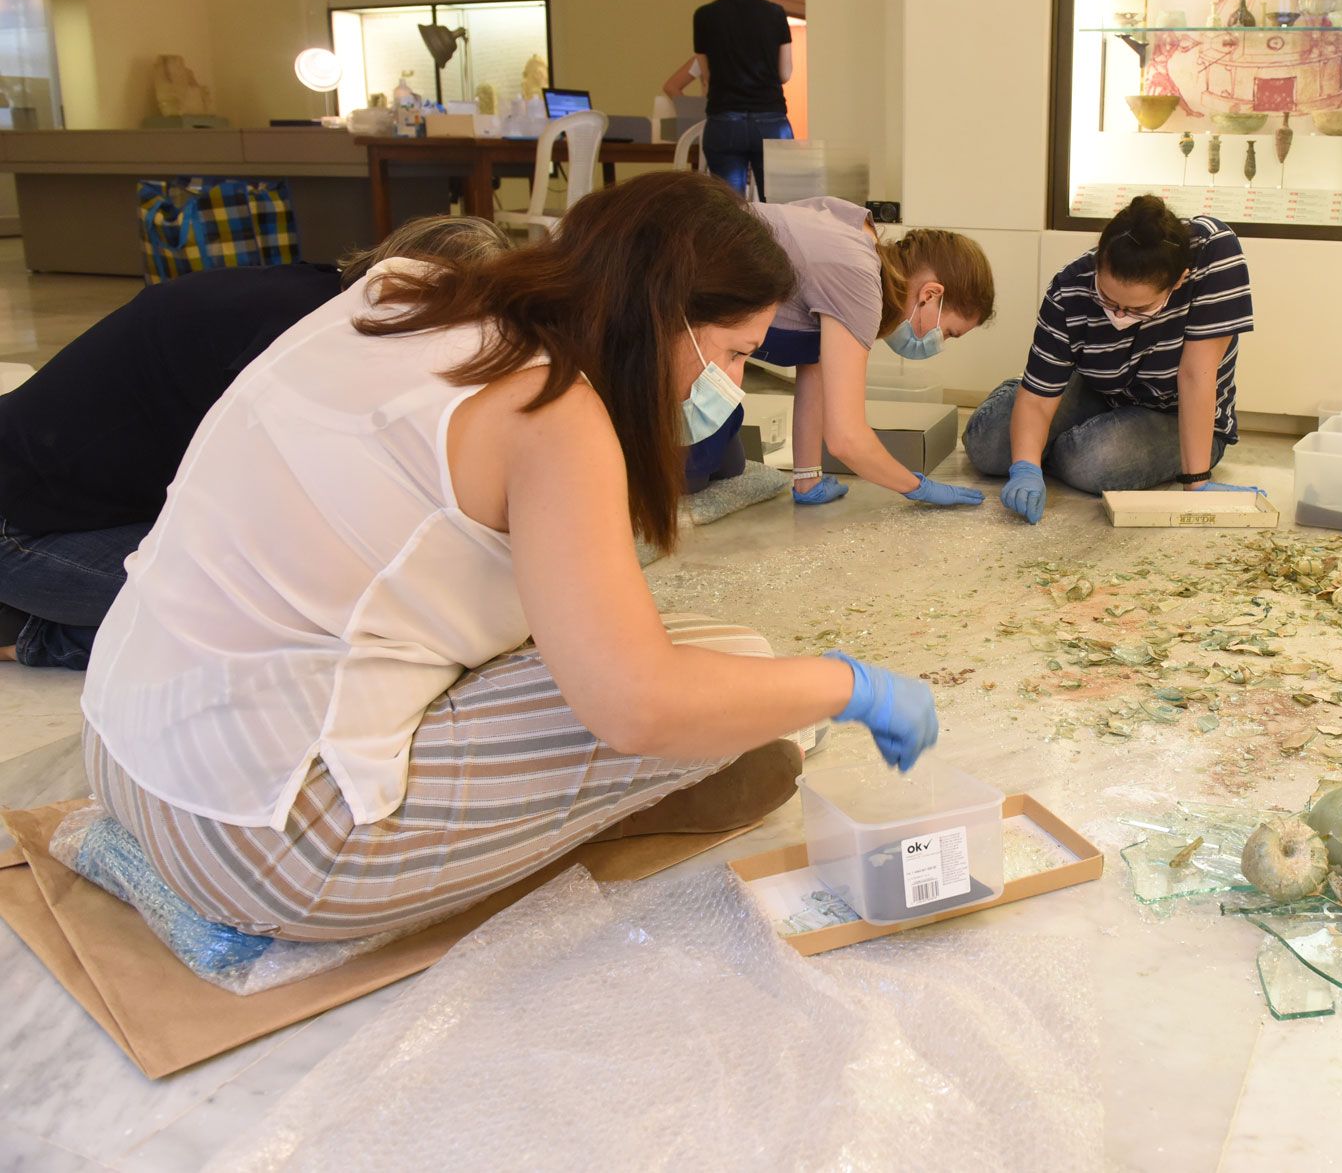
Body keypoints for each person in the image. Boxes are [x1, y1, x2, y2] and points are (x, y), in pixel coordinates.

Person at [78, 172, 939, 941]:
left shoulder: (414, 290)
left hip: (122, 736)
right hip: (258, 835)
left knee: (708, 663)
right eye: (733, 355)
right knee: (728, 678)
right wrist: (849, 683)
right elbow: (637, 703)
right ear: (663, 318)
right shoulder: (551, 408)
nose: (725, 385)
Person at [0, 216, 513, 670]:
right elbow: (285, 522)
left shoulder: (315, 297)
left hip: (71, 503)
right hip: (21, 534)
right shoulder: (296, 344)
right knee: (289, 622)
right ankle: (30, 633)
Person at [963, 196, 1259, 523]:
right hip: (1100, 389)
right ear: (1099, 260)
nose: (1117, 315)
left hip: (1174, 413)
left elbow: (1194, 375)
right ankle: (1048, 433)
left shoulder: (1214, 253)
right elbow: (1037, 400)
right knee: (989, 444)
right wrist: (1025, 468)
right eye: (1107, 298)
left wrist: (1196, 483)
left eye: (1137, 309)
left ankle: (1063, 442)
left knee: (1092, 462)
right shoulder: (1070, 288)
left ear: (1176, 282)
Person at [746, 198, 995, 507]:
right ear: (931, 294)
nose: (939, 341)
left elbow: (815, 369)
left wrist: (808, 479)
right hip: (682, 295)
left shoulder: (856, 237)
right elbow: (846, 439)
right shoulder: (859, 279)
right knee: (706, 465)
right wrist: (918, 487)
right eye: (948, 333)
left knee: (721, 459)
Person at [692, 0, 793, 198]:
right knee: (779, 204)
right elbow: (784, 73)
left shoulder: (705, 16)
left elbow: (707, 77)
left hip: (725, 120)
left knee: (730, 209)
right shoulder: (775, 14)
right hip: (770, 121)